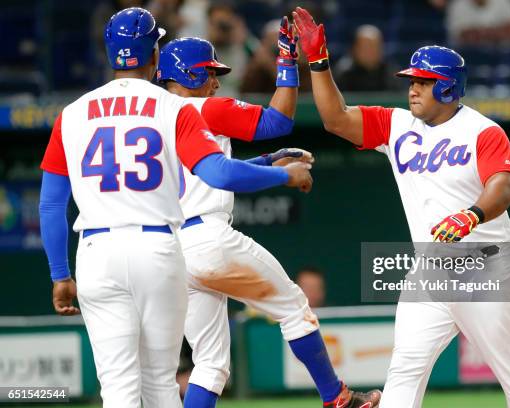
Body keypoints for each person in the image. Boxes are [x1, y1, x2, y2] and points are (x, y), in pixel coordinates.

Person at [39, 7, 312, 408]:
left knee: (118, 388)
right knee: (160, 383)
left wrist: (60, 274)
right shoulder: (174, 107)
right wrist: (283, 176)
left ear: (110, 51)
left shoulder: (72, 114)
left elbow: (50, 205)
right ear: (154, 55)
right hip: (157, 249)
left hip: (96, 252)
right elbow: (218, 173)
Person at [292, 7, 510, 408]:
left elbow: (504, 184)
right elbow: (335, 119)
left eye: (423, 82)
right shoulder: (398, 126)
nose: (412, 88)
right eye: (411, 81)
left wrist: (472, 214)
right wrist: (319, 62)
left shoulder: (482, 130)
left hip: (486, 267)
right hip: (429, 269)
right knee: (405, 369)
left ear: (447, 88)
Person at [156, 18, 381, 408]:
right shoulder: (203, 107)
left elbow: (204, 172)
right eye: (209, 72)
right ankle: (337, 399)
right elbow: (278, 120)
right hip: (208, 238)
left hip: (170, 250)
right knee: (294, 307)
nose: (215, 81)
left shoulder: (148, 118)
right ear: (188, 74)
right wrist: (286, 58)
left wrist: (266, 161)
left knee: (210, 364)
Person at [335, 25, 398, 92]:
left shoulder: (390, 73)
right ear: (354, 49)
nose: (371, 52)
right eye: (366, 47)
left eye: (375, 47)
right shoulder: (344, 74)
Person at [433, 0, 510, 46]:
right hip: (467, 59)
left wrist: (481, 33)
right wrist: (496, 32)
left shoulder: (504, 2)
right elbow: (462, 36)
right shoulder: (457, 5)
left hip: (502, 58)